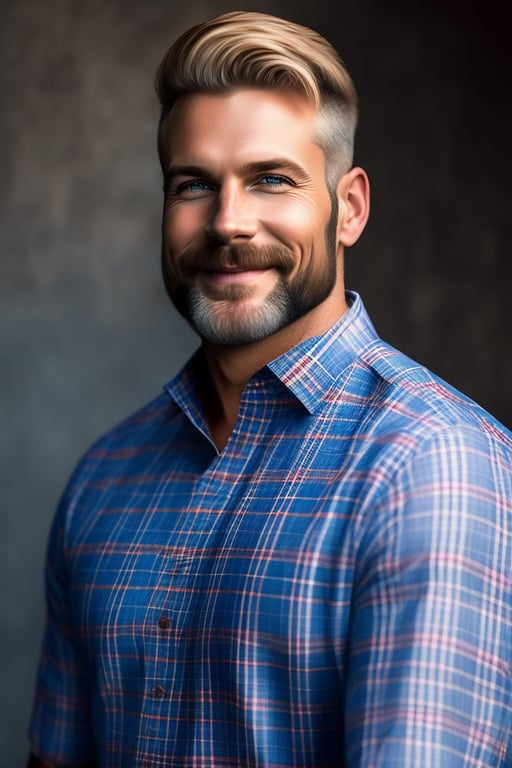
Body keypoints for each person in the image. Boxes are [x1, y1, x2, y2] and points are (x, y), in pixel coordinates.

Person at [26, 10, 511, 768]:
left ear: (347, 208)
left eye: (271, 180)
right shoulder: (103, 479)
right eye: (193, 184)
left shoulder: (432, 468)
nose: (228, 223)